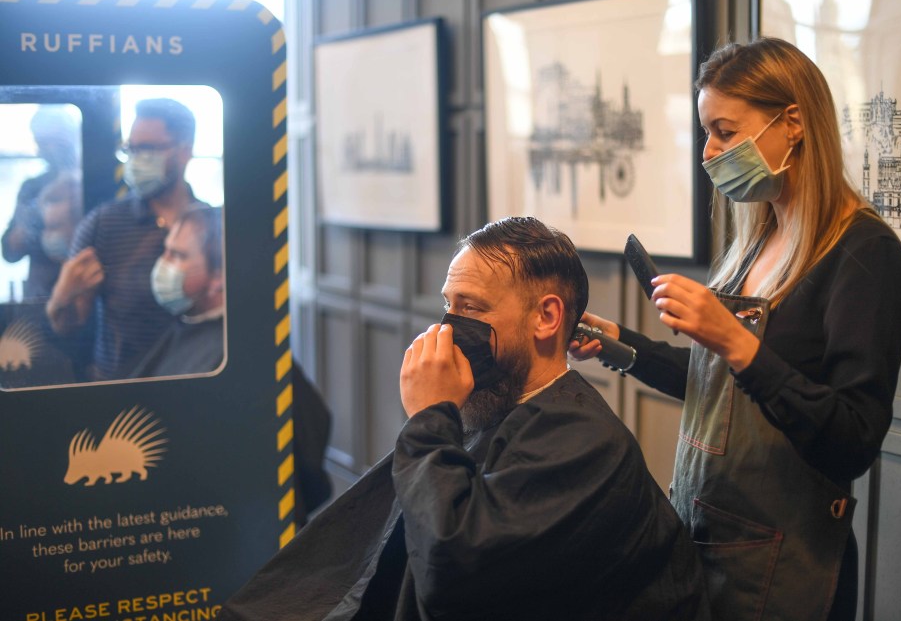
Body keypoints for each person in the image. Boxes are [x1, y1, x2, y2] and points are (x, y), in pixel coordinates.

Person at [570, 38, 901, 621]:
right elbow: (726, 393)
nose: (709, 151)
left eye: (725, 132)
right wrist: (623, 348)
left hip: (788, 566)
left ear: (794, 123)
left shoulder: (866, 257)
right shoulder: (754, 241)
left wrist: (733, 340)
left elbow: (853, 439)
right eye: (707, 132)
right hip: (706, 535)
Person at [220, 217, 709, 621]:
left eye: (471, 307)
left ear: (546, 317)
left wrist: (432, 415)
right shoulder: (498, 408)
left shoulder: (582, 443)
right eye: (448, 305)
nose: (447, 327)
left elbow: (452, 573)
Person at [46, 98, 205, 381]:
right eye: (131, 148)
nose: (136, 158)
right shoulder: (102, 224)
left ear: (185, 152)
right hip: (121, 393)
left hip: (196, 383)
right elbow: (66, 325)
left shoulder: (210, 223)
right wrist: (62, 297)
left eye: (149, 149)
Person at [129, 205, 224, 378]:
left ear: (218, 277)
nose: (163, 262)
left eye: (178, 255)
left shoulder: (220, 355)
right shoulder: (187, 322)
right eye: (166, 251)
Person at [1, 105, 81, 300]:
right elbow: (10, 252)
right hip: (41, 294)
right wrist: (30, 221)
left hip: (82, 288)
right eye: (42, 142)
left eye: (55, 140)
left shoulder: (90, 183)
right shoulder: (32, 188)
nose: (49, 148)